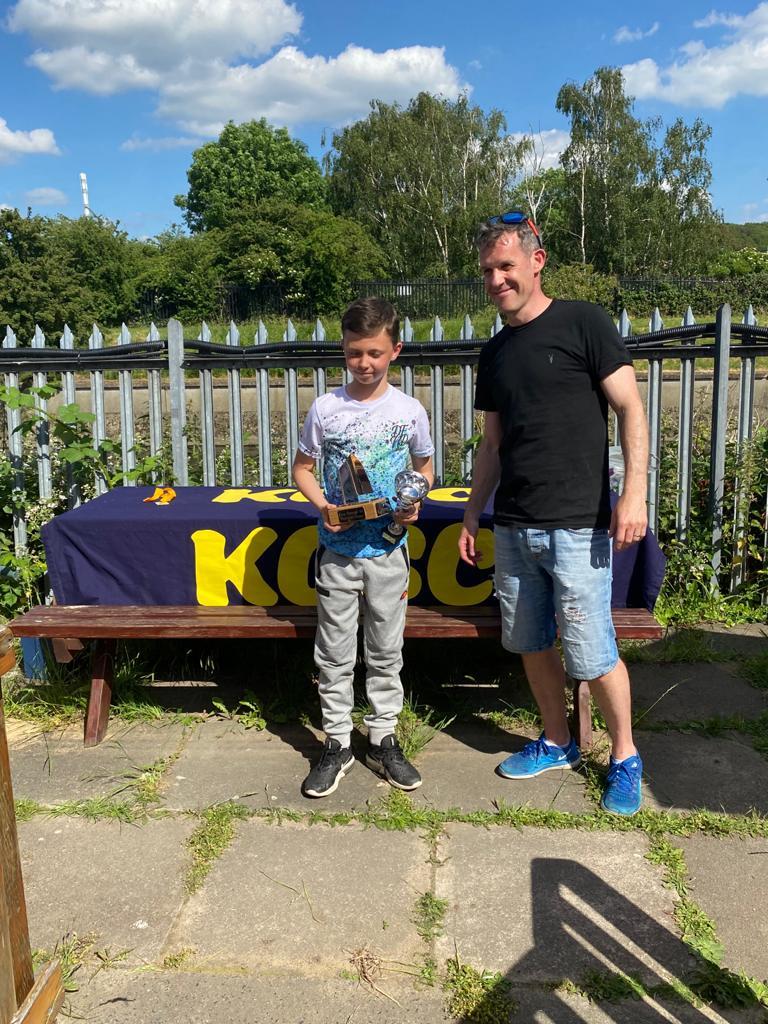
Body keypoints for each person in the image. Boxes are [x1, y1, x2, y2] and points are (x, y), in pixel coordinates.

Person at [458, 211, 649, 816]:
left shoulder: (584, 322)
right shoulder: (495, 353)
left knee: (592, 652)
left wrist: (635, 492)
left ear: (537, 262)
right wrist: (471, 514)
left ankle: (624, 756)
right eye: (488, 270)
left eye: (506, 266)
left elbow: (631, 409)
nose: (496, 280)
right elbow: (492, 444)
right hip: (515, 524)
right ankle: (558, 741)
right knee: (531, 643)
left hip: (578, 524)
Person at [293, 297, 435, 798]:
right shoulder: (325, 409)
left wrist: (414, 502)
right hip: (336, 551)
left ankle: (382, 737)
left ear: (395, 350)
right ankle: (336, 743)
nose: (365, 363)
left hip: (389, 551)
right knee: (333, 652)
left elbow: (423, 469)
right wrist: (322, 507)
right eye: (355, 353)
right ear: (344, 351)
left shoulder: (409, 410)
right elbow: (302, 469)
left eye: (374, 352)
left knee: (385, 650)